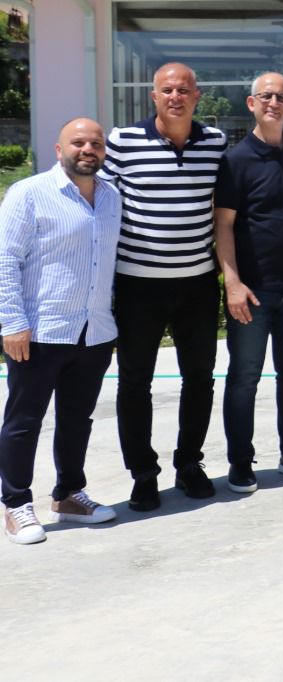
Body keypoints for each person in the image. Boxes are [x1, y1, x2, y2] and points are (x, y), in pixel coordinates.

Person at [104, 62, 228, 511]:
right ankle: (143, 474)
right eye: (167, 90)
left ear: (197, 96)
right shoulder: (123, 141)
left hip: (197, 284)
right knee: (135, 382)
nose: (175, 96)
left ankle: (189, 464)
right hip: (138, 286)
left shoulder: (215, 143)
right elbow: (100, 205)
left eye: (183, 90)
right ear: (153, 96)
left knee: (199, 379)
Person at [0, 119, 121, 545]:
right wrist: (12, 322)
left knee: (76, 419)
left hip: (94, 330)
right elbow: (5, 260)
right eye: (78, 142)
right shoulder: (29, 193)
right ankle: (15, 503)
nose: (88, 149)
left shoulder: (111, 197)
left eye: (96, 143)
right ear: (59, 149)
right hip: (40, 332)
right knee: (24, 420)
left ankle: (69, 495)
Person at [215, 73, 283, 491]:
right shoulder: (235, 160)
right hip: (253, 291)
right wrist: (233, 282)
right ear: (251, 103)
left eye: (282, 98)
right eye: (266, 96)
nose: (273, 103)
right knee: (244, 378)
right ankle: (241, 462)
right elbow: (223, 226)